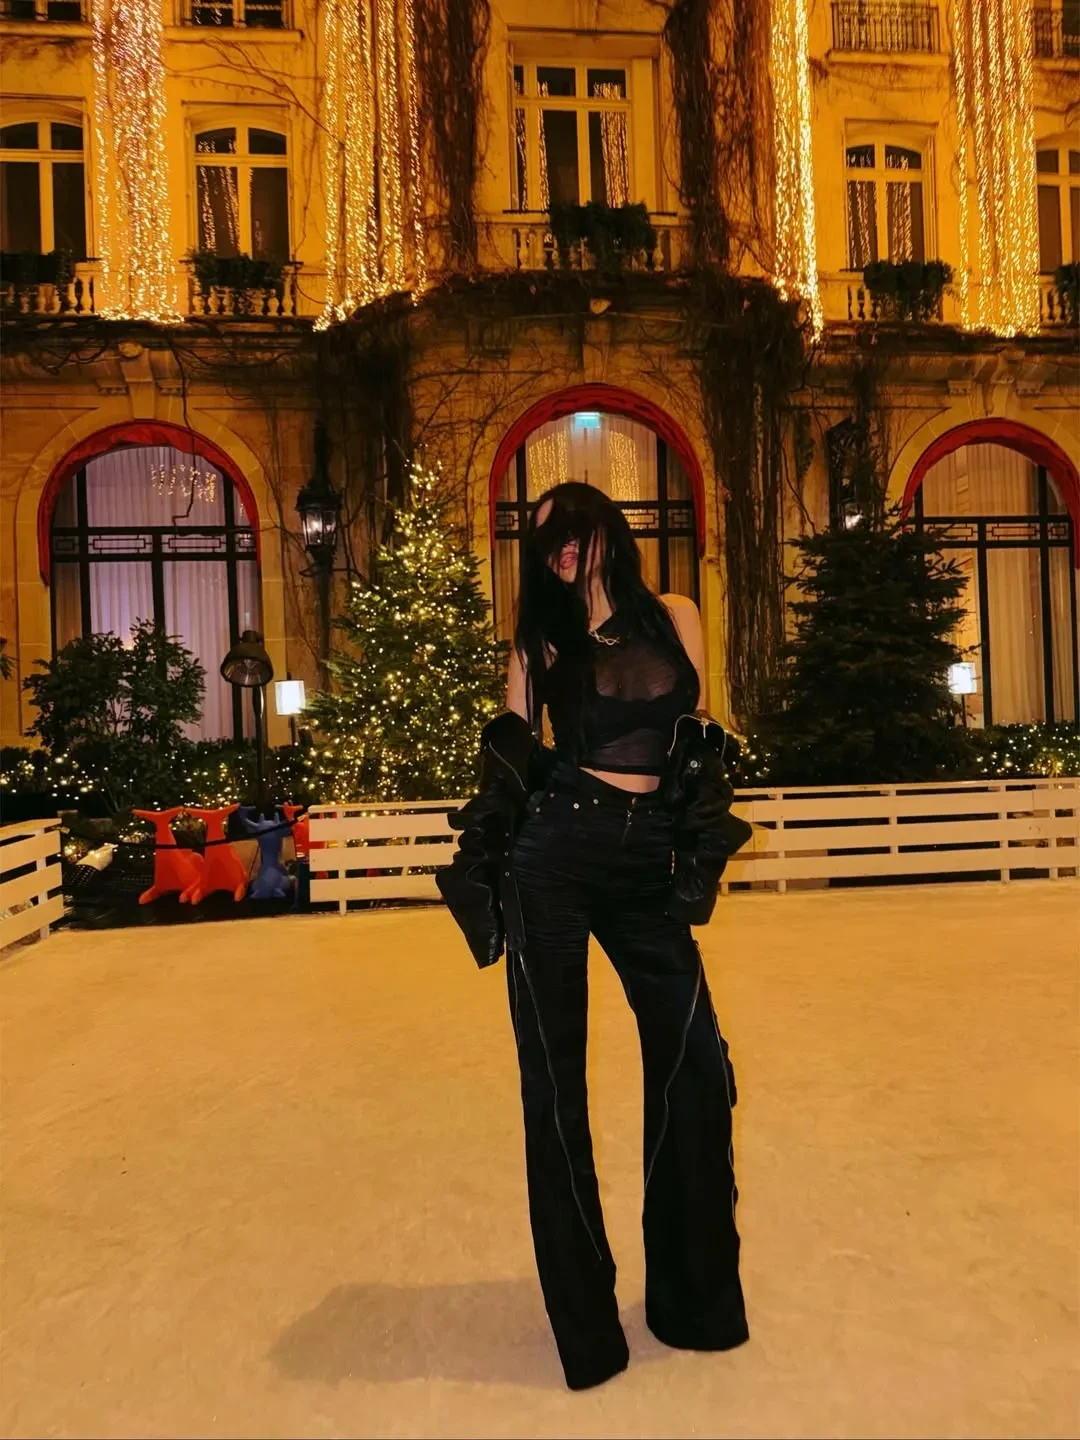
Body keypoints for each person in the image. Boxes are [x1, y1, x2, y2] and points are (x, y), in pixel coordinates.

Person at [437, 481, 750, 1391]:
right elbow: (509, 750)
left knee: (695, 1063)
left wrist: (695, 842)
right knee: (555, 1087)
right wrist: (488, 861)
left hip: (647, 860)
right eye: (542, 542)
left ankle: (692, 1302)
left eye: (568, 531)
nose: (558, 550)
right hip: (556, 861)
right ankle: (586, 1329)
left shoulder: (678, 615)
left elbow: (697, 734)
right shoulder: (539, 639)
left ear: (606, 528)